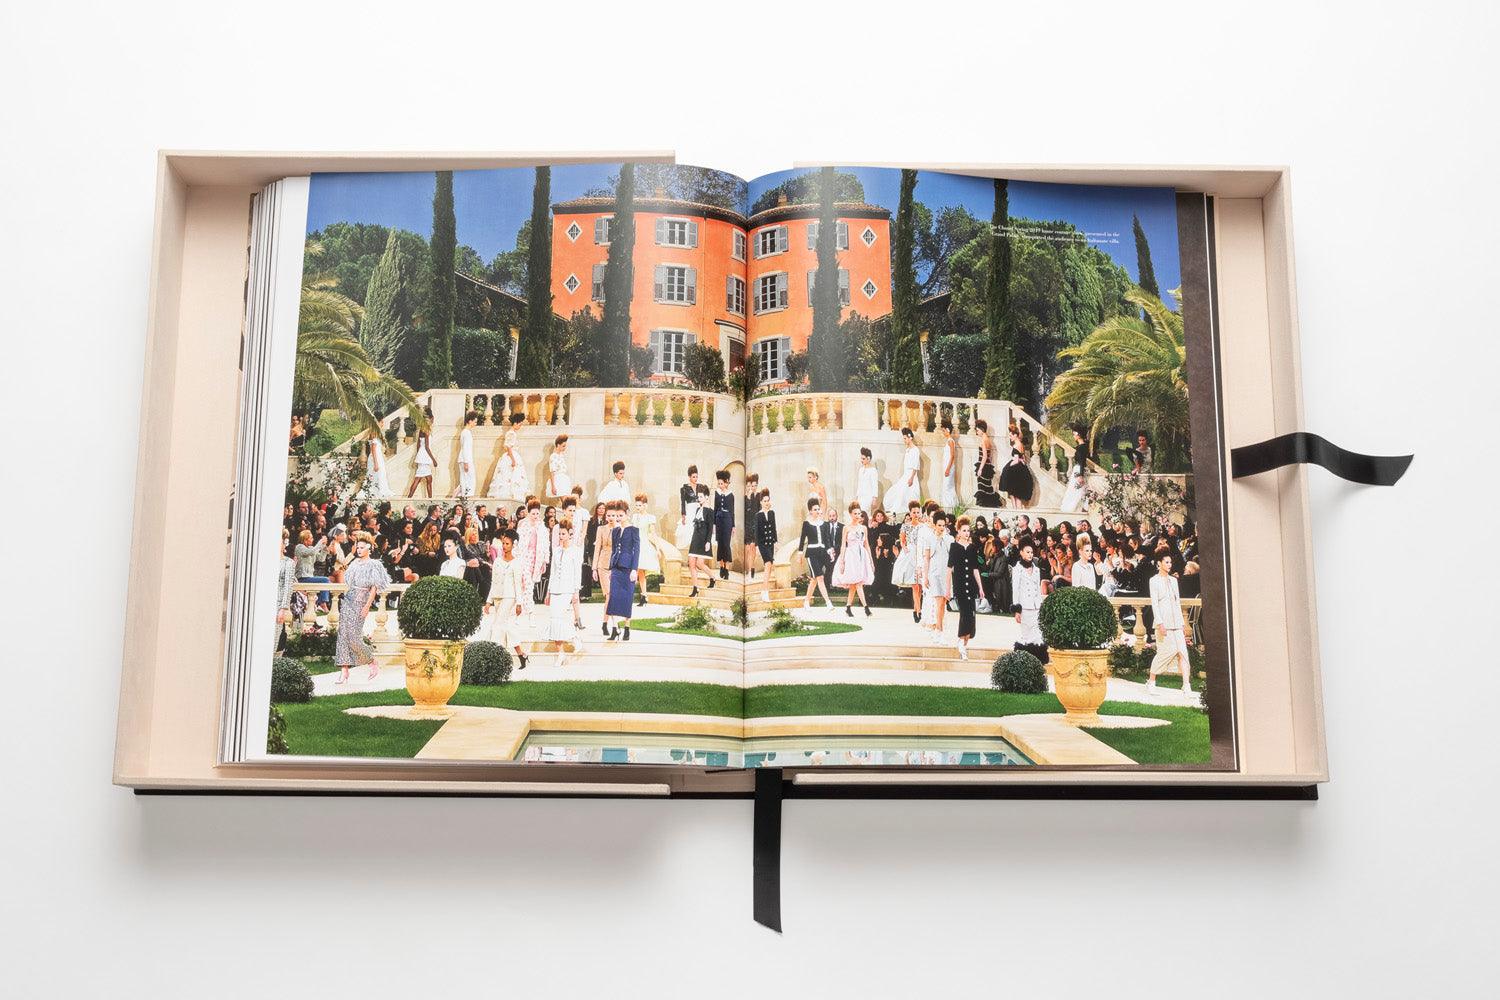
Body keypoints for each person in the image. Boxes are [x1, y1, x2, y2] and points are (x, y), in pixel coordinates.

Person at [333, 532, 391, 684]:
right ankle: (344, 670)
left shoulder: (374, 565)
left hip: (361, 601)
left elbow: (374, 588)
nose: (359, 550)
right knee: (343, 636)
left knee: (354, 637)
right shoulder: (354, 563)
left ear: (369, 548)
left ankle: (371, 660)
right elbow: (347, 580)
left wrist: (367, 606)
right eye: (357, 547)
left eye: (362, 547)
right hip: (348, 600)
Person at [485, 530, 531, 670]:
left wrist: (519, 603)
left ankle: (494, 658)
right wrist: (488, 601)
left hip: (509, 597)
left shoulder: (516, 563)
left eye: (507, 544)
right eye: (503, 543)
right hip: (498, 596)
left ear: (513, 545)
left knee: (498, 625)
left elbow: (518, 584)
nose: (504, 546)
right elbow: (493, 582)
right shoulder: (497, 561)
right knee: (505, 626)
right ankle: (521, 654)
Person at [1148, 551, 1191, 695]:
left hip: (1177, 624)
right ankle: (1152, 681)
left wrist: (1182, 624)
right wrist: (1160, 623)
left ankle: (1186, 685)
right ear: (1159, 563)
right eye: (1166, 562)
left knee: (1183, 653)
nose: (1169, 565)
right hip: (1163, 624)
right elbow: (1154, 603)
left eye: (1170, 562)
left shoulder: (1173, 580)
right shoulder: (1154, 580)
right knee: (1163, 653)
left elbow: (1177, 602)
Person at [545, 517, 584, 666]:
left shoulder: (576, 551)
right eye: (559, 534)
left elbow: (577, 573)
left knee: (558, 618)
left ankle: (574, 638)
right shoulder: (556, 550)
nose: (561, 537)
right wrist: (548, 591)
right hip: (555, 588)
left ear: (570, 534)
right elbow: (552, 572)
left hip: (568, 589)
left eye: (563, 534)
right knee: (554, 619)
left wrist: (576, 591)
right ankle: (560, 652)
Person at [947, 517, 985, 659]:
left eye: (968, 530)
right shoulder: (954, 547)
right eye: (964, 530)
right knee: (965, 614)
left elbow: (975, 569)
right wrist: (948, 589)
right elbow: (949, 569)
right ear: (958, 531)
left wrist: (980, 587)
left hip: (971, 586)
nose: (967, 533)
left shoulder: (972, 548)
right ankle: (961, 643)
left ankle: (964, 643)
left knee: (972, 615)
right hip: (960, 585)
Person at [603, 500, 639, 640]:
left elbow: (637, 551)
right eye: (616, 516)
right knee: (612, 598)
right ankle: (614, 628)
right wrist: (611, 568)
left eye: (620, 515)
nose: (618, 518)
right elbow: (613, 550)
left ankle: (627, 627)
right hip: (616, 568)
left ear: (627, 514)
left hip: (628, 568)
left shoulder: (634, 530)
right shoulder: (616, 530)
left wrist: (634, 569)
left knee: (627, 598)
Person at [832, 504, 875, 617]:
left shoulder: (863, 528)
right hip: (850, 556)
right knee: (857, 583)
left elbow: (867, 545)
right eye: (855, 513)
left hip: (861, 556)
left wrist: (871, 561)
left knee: (854, 584)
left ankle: (848, 608)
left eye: (859, 513)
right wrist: (842, 561)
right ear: (851, 514)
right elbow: (843, 545)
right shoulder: (846, 528)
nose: (857, 516)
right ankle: (866, 608)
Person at [1011, 537, 1048, 664]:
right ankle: (1025, 662)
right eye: (1027, 552)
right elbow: (1015, 589)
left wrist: (1040, 605)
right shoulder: (1017, 569)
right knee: (1026, 635)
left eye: (1031, 552)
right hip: (1024, 607)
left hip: (1035, 606)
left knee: (1037, 634)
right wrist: (1017, 610)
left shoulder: (1036, 569)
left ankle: (1037, 661)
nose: (1030, 555)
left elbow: (1037, 589)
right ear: (1021, 552)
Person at [798, 499, 836, 610]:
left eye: (818, 509)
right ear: (810, 511)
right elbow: (802, 540)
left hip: (822, 553)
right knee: (820, 577)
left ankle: (806, 601)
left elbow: (827, 540)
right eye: (815, 509)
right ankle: (828, 603)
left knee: (814, 579)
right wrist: (799, 555)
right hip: (811, 554)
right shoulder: (806, 524)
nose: (818, 511)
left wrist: (830, 551)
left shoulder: (824, 524)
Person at [921, 510, 952, 639]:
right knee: (939, 602)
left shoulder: (949, 539)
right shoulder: (928, 538)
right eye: (939, 525)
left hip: (946, 573)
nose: (941, 528)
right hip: (934, 574)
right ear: (934, 525)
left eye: (943, 525)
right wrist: (925, 576)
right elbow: (926, 558)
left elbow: (952, 559)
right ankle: (939, 630)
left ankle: (939, 629)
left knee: (943, 603)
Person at [891, 501, 923, 622]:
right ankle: (918, 612)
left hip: (920, 554)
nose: (916, 514)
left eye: (917, 512)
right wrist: (905, 549)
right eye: (914, 512)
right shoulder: (905, 526)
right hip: (910, 554)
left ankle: (916, 609)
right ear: (910, 513)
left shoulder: (923, 526)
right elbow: (902, 540)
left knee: (919, 586)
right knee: (914, 585)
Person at [631, 492, 661, 607]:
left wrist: (657, 549)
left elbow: (653, 534)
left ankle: (643, 595)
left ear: (645, 505)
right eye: (636, 505)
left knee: (640, 570)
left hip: (643, 545)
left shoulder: (650, 518)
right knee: (639, 572)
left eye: (640, 505)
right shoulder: (634, 517)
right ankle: (644, 596)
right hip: (634, 544)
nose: (638, 507)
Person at [882, 427, 922, 511]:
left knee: (909, 494)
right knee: (898, 492)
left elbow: (915, 465)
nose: (904, 441)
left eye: (905, 438)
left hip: (911, 475)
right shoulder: (908, 450)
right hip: (906, 474)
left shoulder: (915, 450)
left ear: (910, 437)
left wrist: (911, 478)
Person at [687, 481, 714, 596]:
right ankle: (695, 588)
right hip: (695, 539)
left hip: (703, 540)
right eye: (698, 496)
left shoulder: (710, 511)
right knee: (691, 563)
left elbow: (710, 528)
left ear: (706, 497)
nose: (699, 498)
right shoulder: (698, 509)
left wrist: (708, 541)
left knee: (700, 564)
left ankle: (712, 577)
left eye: (701, 496)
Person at [998, 426, 1035, 507]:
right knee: (1016, 493)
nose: (1010, 437)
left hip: (1015, 470)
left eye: (1011, 435)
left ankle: (1015, 510)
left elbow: (1016, 460)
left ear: (1015, 435)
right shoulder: (1021, 444)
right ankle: (1017, 510)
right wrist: (1020, 460)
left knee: (1013, 492)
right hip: (1020, 469)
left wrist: (1006, 468)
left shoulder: (1016, 445)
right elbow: (1023, 459)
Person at [753, 489, 778, 603]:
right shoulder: (758, 515)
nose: (767, 502)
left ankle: (764, 591)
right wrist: (757, 547)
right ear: (761, 502)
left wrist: (776, 542)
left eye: (768, 500)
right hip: (763, 544)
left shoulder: (772, 513)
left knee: (769, 566)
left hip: (770, 543)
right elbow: (757, 532)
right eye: (765, 501)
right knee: (768, 564)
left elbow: (774, 528)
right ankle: (765, 591)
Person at [489, 430, 528, 501]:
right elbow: (509, 447)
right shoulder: (511, 433)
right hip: (511, 456)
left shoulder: (510, 433)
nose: (520, 427)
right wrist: (513, 460)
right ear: (516, 423)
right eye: (519, 424)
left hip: (511, 455)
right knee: (510, 475)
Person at [713, 470, 735, 580]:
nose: (720, 485)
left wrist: (733, 526)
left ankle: (726, 568)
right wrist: (713, 524)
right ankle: (721, 566)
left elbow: (732, 511)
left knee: (726, 544)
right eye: (719, 483)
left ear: (726, 483)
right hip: (718, 520)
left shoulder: (731, 495)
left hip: (727, 521)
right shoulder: (716, 493)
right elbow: (715, 508)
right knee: (720, 544)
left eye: (721, 483)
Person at [1061, 426, 1090, 513]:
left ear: (1079, 435)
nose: (1073, 436)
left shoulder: (1081, 447)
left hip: (1079, 470)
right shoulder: (1082, 446)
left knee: (1076, 490)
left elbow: (1082, 461)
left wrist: (1080, 475)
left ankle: (1072, 508)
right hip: (1078, 469)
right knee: (1075, 489)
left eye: (1074, 434)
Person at [973, 419, 1000, 507]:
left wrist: (980, 469)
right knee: (987, 487)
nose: (977, 432)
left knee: (982, 487)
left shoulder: (983, 440)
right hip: (987, 466)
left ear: (981, 429)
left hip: (983, 466)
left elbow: (984, 456)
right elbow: (990, 456)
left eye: (977, 430)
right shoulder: (988, 440)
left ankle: (984, 505)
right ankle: (989, 505)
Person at [580, 501, 604, 600]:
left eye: (603, 508)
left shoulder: (607, 520)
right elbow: (588, 533)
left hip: (603, 546)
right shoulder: (591, 520)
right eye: (599, 508)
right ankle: (593, 582)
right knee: (592, 564)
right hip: (592, 546)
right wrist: (594, 541)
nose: (601, 510)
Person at [744, 473, 762, 578]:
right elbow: (745, 512)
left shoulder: (759, 496)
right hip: (747, 525)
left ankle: (751, 569)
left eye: (755, 485)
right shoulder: (746, 498)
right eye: (751, 486)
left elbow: (759, 511)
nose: (753, 488)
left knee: (753, 548)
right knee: (747, 549)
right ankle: (749, 569)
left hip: (755, 525)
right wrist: (748, 498)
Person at [456, 410, 477, 498]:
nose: (475, 423)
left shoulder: (465, 432)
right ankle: (465, 496)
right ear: (470, 421)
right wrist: (466, 462)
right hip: (466, 460)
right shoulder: (466, 432)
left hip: (466, 459)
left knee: (466, 479)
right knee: (468, 479)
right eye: (475, 422)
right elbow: (465, 448)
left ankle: (461, 495)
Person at [409, 430, 436, 498]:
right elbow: (427, 447)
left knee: (427, 479)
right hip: (425, 456)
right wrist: (433, 460)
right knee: (420, 479)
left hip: (421, 456)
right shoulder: (427, 432)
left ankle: (430, 498)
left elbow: (418, 445)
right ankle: (409, 497)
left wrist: (419, 456)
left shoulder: (421, 431)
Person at [938, 419, 959, 510]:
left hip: (949, 467)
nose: (943, 433)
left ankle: (950, 507)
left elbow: (952, 456)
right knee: (947, 487)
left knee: (947, 487)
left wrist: (948, 469)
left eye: (943, 430)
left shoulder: (950, 441)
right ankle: (949, 507)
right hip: (947, 466)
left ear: (948, 430)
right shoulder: (949, 441)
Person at [854, 447, 879, 515]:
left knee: (865, 514)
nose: (861, 460)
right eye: (861, 458)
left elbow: (875, 485)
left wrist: (874, 498)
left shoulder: (873, 470)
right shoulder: (861, 470)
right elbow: (859, 484)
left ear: (868, 459)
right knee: (858, 514)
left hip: (868, 497)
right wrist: (857, 497)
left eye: (863, 459)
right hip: (860, 497)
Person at [545, 434, 572, 499]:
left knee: (566, 502)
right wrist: (553, 486)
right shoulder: (553, 456)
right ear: (558, 445)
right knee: (565, 501)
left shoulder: (561, 455)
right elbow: (552, 472)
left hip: (563, 480)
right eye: (563, 446)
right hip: (557, 481)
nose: (565, 448)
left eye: (565, 446)